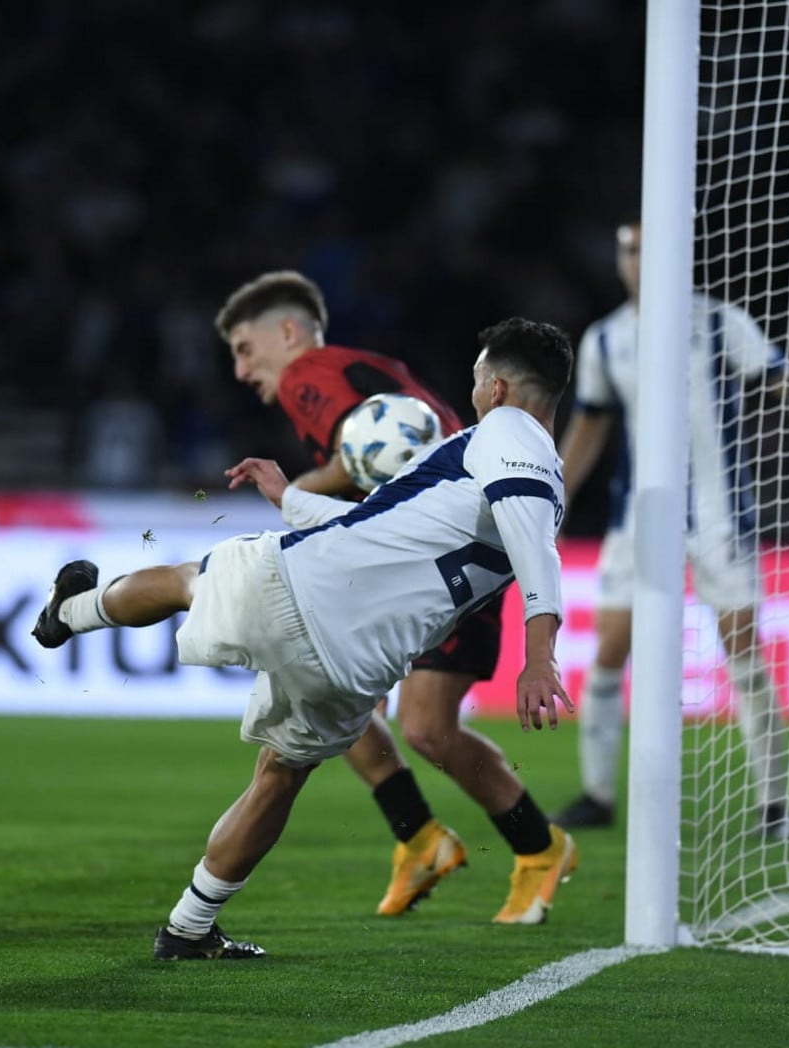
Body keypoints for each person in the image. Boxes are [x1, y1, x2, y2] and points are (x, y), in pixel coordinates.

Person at [32, 318, 578, 958]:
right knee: (278, 777)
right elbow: (383, 525)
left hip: (299, 584)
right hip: (354, 665)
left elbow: (538, 555)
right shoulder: (540, 480)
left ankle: (72, 612)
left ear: (503, 387)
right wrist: (290, 498)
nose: (476, 391)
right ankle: (188, 929)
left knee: (188, 579)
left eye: (480, 379)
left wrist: (540, 657)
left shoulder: (506, 432)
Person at [213, 270, 563, 923]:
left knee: (329, 676)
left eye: (244, 347)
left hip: (429, 561)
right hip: (446, 554)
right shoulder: (367, 366)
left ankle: (497, 844)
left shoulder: (308, 375)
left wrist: (303, 500)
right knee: (422, 725)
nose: (240, 369)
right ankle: (448, 839)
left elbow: (372, 461)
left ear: (287, 332)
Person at [555, 221, 789, 839]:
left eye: (648, 250)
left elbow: (782, 381)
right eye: (628, 250)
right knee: (608, 651)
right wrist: (554, 494)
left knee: (743, 649)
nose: (637, 261)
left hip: (720, 515)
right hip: (639, 519)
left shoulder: (717, 323)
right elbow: (591, 427)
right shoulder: (606, 339)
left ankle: (774, 805)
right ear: (618, 259)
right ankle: (598, 794)